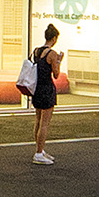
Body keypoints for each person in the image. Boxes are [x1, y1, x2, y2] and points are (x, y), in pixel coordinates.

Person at [26, 22, 65, 165]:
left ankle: (40, 150)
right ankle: (38, 153)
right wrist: (59, 61)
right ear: (54, 38)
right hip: (47, 89)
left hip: (37, 89)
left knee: (38, 120)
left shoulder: (36, 51)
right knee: (45, 123)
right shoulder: (52, 54)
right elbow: (56, 74)